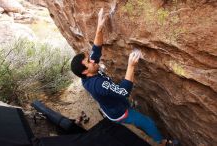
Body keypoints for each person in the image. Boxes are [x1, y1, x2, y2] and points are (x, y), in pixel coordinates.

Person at [71, 8, 171, 146]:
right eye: (89, 62)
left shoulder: (88, 72)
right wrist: (131, 66)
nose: (93, 60)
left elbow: (96, 48)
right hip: (119, 113)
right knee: (147, 122)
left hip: (111, 105)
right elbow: (124, 92)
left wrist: (99, 29)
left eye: (89, 58)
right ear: (85, 72)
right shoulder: (98, 84)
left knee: (133, 112)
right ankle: (163, 143)